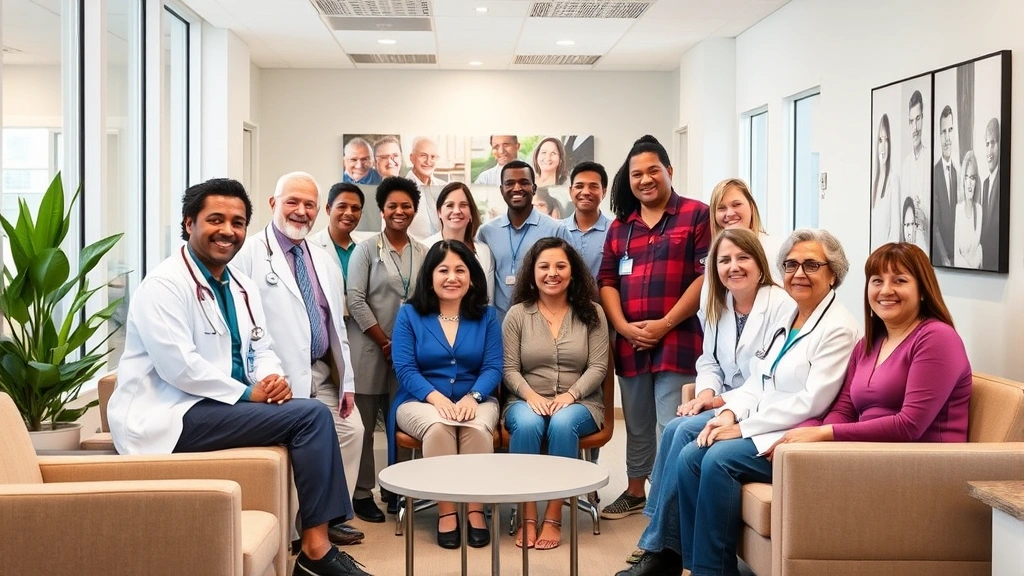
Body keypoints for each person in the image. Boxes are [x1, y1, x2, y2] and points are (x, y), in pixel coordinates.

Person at [107, 178, 371, 576]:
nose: (228, 231)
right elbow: (180, 367)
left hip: (217, 406)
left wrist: (272, 379)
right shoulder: (164, 285)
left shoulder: (240, 285)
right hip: (172, 413)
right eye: (216, 220)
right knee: (313, 416)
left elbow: (260, 347)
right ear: (189, 223)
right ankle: (317, 551)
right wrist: (250, 393)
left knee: (312, 414)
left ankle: (317, 544)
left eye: (237, 222)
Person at [618, 228, 858, 576]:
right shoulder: (793, 317)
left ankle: (707, 569)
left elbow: (812, 402)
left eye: (811, 265)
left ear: (832, 272)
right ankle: (680, 556)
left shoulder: (837, 327)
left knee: (713, 459)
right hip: (760, 416)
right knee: (687, 448)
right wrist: (726, 413)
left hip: (793, 431)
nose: (798, 273)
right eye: (791, 265)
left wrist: (741, 426)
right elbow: (760, 378)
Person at [627, 228, 796, 569]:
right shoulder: (720, 302)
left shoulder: (781, 305)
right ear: (714, 268)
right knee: (676, 427)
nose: (733, 266)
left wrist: (721, 403)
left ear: (760, 264)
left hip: (757, 405)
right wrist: (705, 393)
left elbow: (766, 375)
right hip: (727, 398)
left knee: (684, 432)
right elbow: (709, 360)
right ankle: (663, 545)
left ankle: (662, 549)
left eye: (742, 258)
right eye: (724, 260)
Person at [233, 172, 366, 547]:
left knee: (352, 431)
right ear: (274, 204)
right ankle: (297, 530)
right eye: (292, 201)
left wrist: (347, 383)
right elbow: (242, 326)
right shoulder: (248, 255)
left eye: (309, 204)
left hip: (321, 372)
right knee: (300, 440)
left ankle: (324, 516)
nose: (301, 211)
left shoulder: (323, 260)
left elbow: (335, 326)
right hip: (275, 375)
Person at [597, 135, 710, 520]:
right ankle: (635, 490)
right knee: (638, 422)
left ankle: (667, 502)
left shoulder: (696, 215)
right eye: (636, 174)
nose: (645, 180)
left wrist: (663, 324)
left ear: (669, 171)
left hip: (676, 339)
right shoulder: (620, 227)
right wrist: (624, 328)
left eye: (652, 171)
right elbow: (607, 281)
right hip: (630, 343)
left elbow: (704, 278)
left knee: (670, 424)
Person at [765, 241, 971, 452]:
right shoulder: (867, 345)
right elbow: (844, 411)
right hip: (868, 453)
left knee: (731, 462)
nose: (886, 290)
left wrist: (824, 434)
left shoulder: (937, 338)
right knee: (781, 447)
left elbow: (910, 425)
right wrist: (805, 433)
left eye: (899, 281)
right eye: (877, 281)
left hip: (919, 461)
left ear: (922, 291)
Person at [389, 240, 502, 549]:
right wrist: (437, 399)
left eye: (460, 270)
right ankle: (447, 511)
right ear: (430, 276)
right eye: (443, 270)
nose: (452, 278)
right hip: (419, 400)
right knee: (439, 428)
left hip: (476, 398)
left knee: (476, 429)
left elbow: (493, 367)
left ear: (472, 276)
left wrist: (473, 397)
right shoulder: (410, 314)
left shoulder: (487, 316)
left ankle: (475, 510)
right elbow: (406, 369)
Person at [502, 238, 609, 550]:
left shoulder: (593, 313)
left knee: (563, 423)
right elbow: (509, 369)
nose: (553, 273)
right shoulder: (517, 315)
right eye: (544, 266)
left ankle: (553, 516)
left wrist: (571, 396)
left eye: (561, 266)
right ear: (532, 273)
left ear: (573, 272)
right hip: (524, 400)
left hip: (581, 403)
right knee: (530, 423)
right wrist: (531, 396)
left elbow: (599, 366)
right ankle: (527, 514)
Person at [346, 176, 429, 522]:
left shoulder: (423, 251)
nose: (399, 211)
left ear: (414, 210)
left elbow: (427, 300)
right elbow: (356, 299)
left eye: (406, 206)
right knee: (364, 427)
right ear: (382, 210)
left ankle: (399, 490)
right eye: (392, 205)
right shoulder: (366, 250)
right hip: (369, 348)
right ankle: (363, 493)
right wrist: (384, 341)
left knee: (403, 424)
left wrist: (404, 347)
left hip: (409, 355)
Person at [476, 159, 571, 318]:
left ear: (534, 188)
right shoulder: (486, 232)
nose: (517, 188)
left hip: (542, 324)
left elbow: (570, 278)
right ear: (501, 189)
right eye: (510, 183)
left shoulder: (555, 230)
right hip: (498, 325)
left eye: (524, 183)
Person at [424, 182, 495, 302]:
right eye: (450, 205)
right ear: (439, 212)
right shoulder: (424, 248)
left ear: (471, 213)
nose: (456, 211)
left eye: (463, 205)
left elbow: (488, 300)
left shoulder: (484, 252)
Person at [311, 182, 373, 294]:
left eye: (355, 208)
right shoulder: (310, 246)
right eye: (342, 206)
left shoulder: (366, 248)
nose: (349, 213)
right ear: (328, 209)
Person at [562, 161, 611, 279]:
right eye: (579, 186)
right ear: (570, 191)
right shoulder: (557, 230)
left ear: (603, 192)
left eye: (593, 187)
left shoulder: (614, 230)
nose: (585, 192)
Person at [900, 91, 930, 248]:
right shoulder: (905, 166)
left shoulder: (930, 160)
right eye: (911, 121)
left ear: (923, 119)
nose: (915, 127)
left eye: (918, 119)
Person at [406, 136, 446, 240]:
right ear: (412, 158)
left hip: (442, 250)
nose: (428, 161)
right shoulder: (400, 189)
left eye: (433, 157)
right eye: (423, 155)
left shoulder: (444, 188)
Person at [932, 106, 957, 266]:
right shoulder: (934, 173)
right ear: (939, 135)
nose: (947, 137)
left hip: (958, 258)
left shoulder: (956, 172)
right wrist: (945, 259)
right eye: (943, 132)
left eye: (950, 130)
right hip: (943, 260)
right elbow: (935, 225)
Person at [871, 114, 901, 248]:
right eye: (880, 140)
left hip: (885, 261)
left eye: (886, 140)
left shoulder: (893, 181)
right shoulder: (873, 184)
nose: (883, 147)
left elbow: (895, 234)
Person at [954, 151, 983, 269]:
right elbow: (957, 255)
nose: (969, 184)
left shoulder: (979, 210)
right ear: (963, 181)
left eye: (972, 178)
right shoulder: (958, 210)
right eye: (966, 178)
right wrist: (972, 256)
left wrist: (967, 255)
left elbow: (977, 252)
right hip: (960, 273)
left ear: (976, 181)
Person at [981, 118, 1001, 270]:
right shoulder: (985, 184)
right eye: (986, 144)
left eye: (992, 143)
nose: (989, 151)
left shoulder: (1002, 179)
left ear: (999, 145)